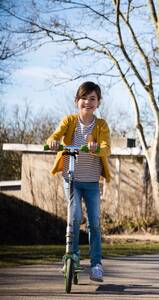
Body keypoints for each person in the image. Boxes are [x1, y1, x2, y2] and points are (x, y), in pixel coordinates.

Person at [47, 81, 111, 282]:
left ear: (98, 103)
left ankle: (96, 264)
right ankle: (72, 256)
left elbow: (106, 147)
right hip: (71, 179)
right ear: (77, 101)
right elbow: (56, 134)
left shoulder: (101, 125)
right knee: (74, 217)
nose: (88, 102)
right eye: (84, 98)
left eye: (93, 98)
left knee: (94, 223)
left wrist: (96, 147)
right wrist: (53, 141)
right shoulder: (69, 121)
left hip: (92, 182)